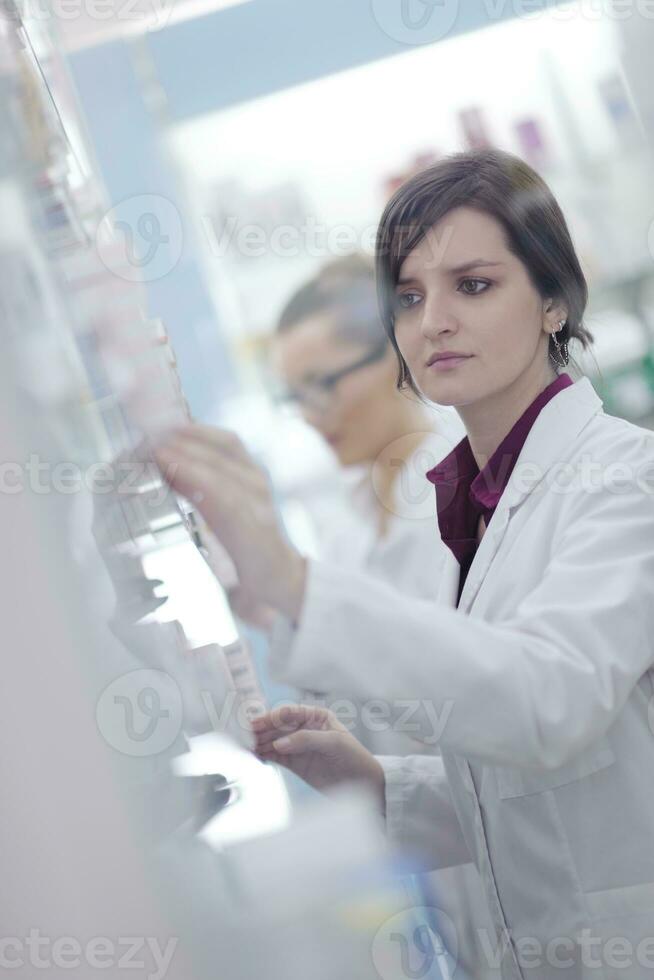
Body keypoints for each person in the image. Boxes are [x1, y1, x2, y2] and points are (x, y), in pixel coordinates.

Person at [154, 149, 654, 980]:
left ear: (555, 301)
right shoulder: (479, 501)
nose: (434, 322)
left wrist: (297, 585)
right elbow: (538, 798)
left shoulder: (627, 480)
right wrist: (373, 781)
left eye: (476, 285)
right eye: (411, 298)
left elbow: (547, 703)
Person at [272, 253, 496, 979]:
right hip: (454, 891)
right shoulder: (345, 531)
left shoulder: (475, 495)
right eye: (293, 395)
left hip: (527, 866)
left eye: (322, 384)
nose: (310, 414)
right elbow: (344, 718)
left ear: (397, 350)